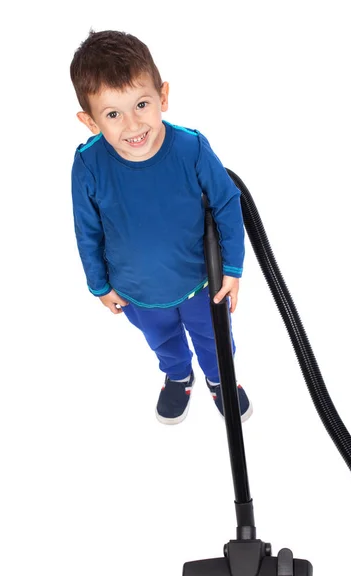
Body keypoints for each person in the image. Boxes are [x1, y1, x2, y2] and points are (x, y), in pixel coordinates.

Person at [70, 30, 253, 425]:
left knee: (214, 339)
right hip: (136, 290)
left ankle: (221, 378)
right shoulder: (88, 165)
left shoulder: (192, 148)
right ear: (89, 121)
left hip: (200, 283)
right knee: (163, 341)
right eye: (113, 114)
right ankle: (177, 374)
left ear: (163, 96)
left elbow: (226, 203)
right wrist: (99, 284)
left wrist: (233, 268)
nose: (133, 124)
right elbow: (87, 231)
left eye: (141, 104)